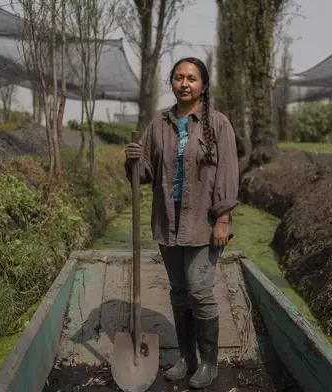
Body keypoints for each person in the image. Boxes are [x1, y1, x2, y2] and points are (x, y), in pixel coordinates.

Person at [124, 57, 239, 388]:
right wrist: (132, 159)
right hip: (167, 222)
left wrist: (224, 218)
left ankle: (209, 364)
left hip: (203, 222)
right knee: (178, 291)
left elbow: (229, 173)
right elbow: (144, 175)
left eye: (191, 78)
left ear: (203, 85)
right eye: (178, 78)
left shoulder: (218, 124)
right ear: (171, 83)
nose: (184, 83)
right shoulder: (158, 125)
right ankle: (187, 358)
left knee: (199, 290)